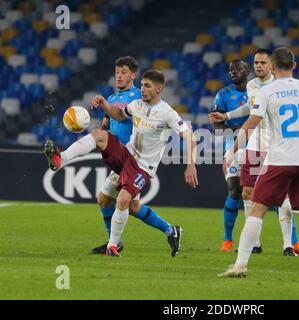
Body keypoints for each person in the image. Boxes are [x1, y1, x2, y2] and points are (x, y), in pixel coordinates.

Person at [44, 69, 198, 257]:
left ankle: (115, 245)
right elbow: (118, 114)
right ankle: (61, 159)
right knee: (99, 136)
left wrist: (191, 165)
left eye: (147, 86)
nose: (142, 89)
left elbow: (189, 136)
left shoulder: (167, 113)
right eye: (142, 85)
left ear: (159, 89)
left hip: (143, 167)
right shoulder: (136, 105)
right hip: (127, 155)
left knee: (127, 203)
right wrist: (103, 103)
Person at [218, 47, 299, 281]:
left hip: (279, 159)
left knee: (257, 209)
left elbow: (251, 123)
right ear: (294, 65)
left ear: (273, 66)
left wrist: (232, 151)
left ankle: (240, 265)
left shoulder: (268, 91)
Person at [210, 49, 299, 256]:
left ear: (271, 65)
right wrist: (226, 115)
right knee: (246, 192)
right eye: (256, 62)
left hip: (275, 146)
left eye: (263, 63)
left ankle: (288, 244)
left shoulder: (280, 87)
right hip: (253, 145)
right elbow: (250, 107)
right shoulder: (252, 85)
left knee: (282, 197)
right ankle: (253, 243)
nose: (258, 66)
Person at [92, 56, 180, 255]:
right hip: (121, 156)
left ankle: (114, 243)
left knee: (119, 202)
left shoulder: (139, 97)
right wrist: (102, 135)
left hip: (134, 159)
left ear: (133, 75)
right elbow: (109, 120)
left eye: (123, 72)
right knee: (126, 205)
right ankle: (168, 230)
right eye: (116, 72)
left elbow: (145, 119)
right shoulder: (114, 98)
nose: (119, 76)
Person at [212, 60, 249, 252]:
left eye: (237, 68)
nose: (233, 72)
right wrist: (246, 129)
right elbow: (217, 129)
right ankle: (228, 239)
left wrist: (233, 126)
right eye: (230, 69)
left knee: (273, 194)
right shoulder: (223, 95)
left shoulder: (256, 91)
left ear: (247, 71)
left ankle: (291, 241)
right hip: (232, 149)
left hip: (261, 147)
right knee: (235, 190)